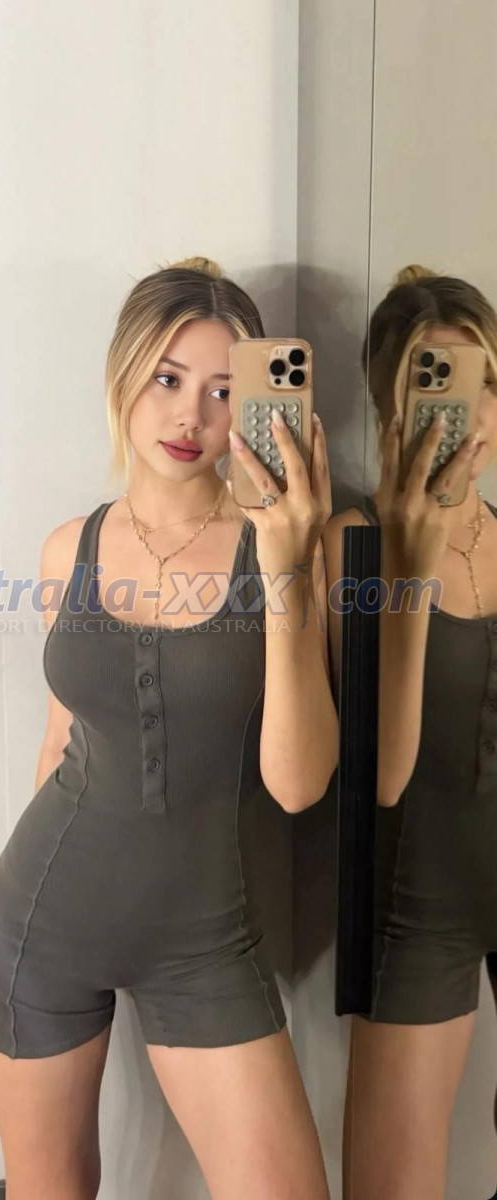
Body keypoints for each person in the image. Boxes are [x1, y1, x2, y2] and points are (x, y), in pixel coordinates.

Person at [0, 256, 338, 1199]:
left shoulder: (283, 549)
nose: (190, 417)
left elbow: (297, 783)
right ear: (123, 375)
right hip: (41, 926)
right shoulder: (69, 548)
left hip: (204, 941)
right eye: (168, 379)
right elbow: (58, 745)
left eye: (222, 391)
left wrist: (288, 561)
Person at [323, 265, 497, 1199]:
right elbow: (378, 779)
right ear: (391, 411)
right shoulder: (352, 544)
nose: (466, 413)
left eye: (483, 382)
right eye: (433, 385)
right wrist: (412, 559)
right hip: (416, 905)